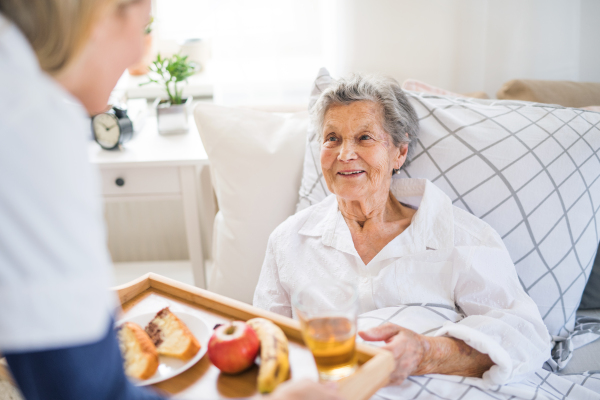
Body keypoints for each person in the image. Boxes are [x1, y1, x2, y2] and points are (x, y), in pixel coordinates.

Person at [0, 1, 342, 399]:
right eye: (144, 28)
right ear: (100, 14)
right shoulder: (31, 124)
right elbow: (84, 390)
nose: (136, 59)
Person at [253, 74, 553, 385]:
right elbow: (264, 342)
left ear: (400, 152)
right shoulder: (289, 241)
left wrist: (426, 352)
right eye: (332, 138)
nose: (344, 155)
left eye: (364, 138)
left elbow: (525, 335)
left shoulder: (461, 237)